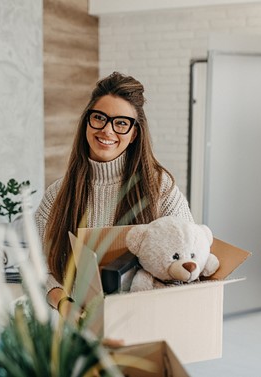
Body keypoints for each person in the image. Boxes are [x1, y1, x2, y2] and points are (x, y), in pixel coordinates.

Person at [35, 72, 194, 314]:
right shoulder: (57, 194)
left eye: (121, 123)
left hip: (146, 323)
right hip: (79, 328)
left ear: (134, 134)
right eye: (99, 118)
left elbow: (187, 262)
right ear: (87, 122)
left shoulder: (161, 189)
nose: (107, 131)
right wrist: (65, 306)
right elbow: (40, 268)